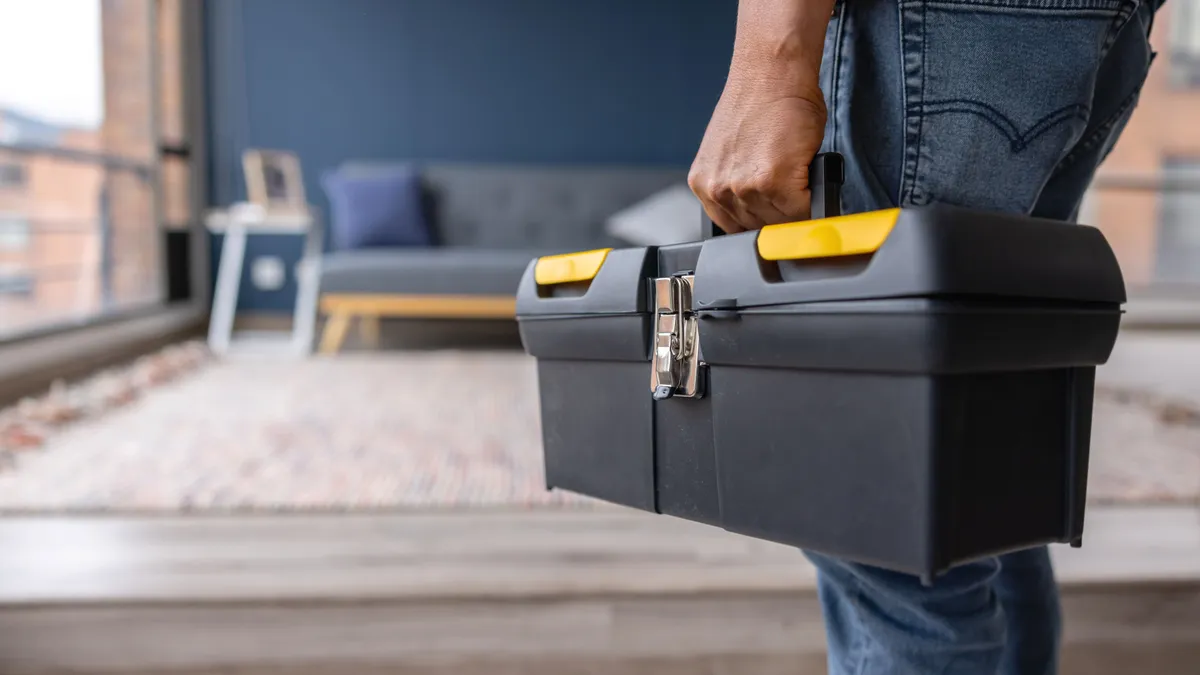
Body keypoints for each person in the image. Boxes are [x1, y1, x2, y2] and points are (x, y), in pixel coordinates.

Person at [688, 0, 1162, 673]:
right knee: (980, 480)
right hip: (1086, 25)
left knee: (889, 542)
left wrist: (770, 64)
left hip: (942, 26)